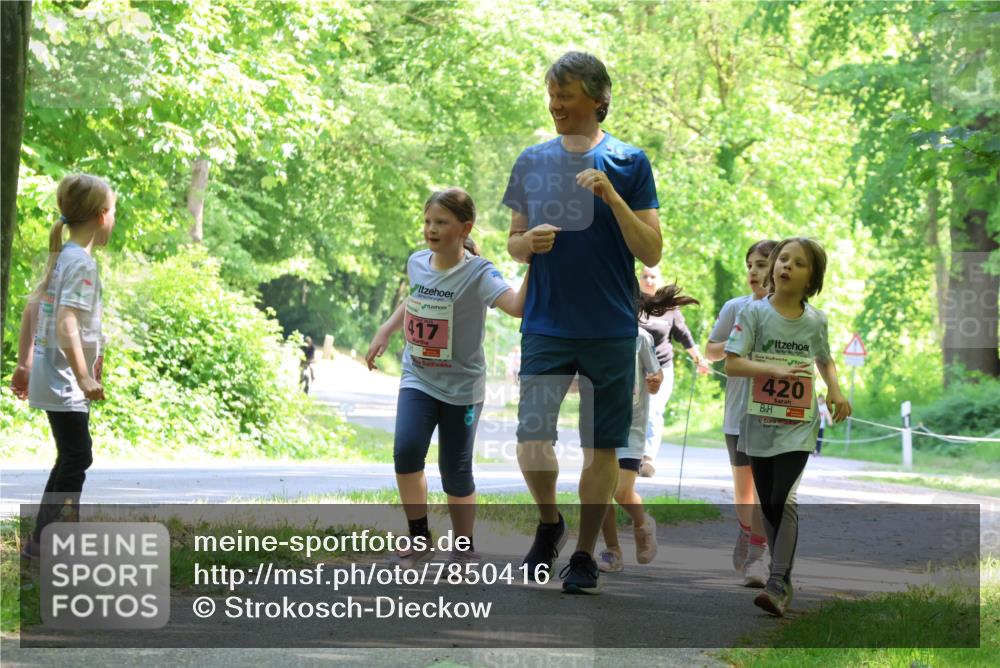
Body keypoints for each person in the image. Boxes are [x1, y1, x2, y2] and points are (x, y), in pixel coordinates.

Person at [503, 51, 662, 594]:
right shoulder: (531, 160)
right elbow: (514, 242)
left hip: (611, 327)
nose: (555, 105)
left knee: (601, 446)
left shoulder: (630, 162)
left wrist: (613, 197)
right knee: (532, 440)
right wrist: (526, 243)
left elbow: (650, 248)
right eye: (551, 94)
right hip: (547, 323)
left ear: (597, 99)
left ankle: (588, 555)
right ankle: (551, 523)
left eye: (565, 95)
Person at [365, 188, 528, 567]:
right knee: (406, 452)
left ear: (464, 227)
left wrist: (533, 258)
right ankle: (420, 539)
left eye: (441, 223)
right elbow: (418, 296)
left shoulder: (480, 273)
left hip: (463, 388)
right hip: (418, 377)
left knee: (454, 471)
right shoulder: (418, 262)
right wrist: (386, 330)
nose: (430, 229)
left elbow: (517, 306)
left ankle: (464, 547)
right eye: (427, 222)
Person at [725, 237, 851, 616]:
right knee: (770, 500)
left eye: (798, 263)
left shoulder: (816, 321)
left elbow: (824, 359)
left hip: (798, 423)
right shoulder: (754, 314)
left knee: (786, 496)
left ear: (812, 278)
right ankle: (784, 577)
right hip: (758, 421)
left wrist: (836, 390)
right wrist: (773, 369)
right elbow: (732, 363)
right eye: (783, 259)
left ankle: (778, 580)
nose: (786, 266)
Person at [10, 174, 116, 559]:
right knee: (77, 455)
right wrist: (84, 374)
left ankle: (45, 541)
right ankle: (50, 543)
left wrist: (23, 364)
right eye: (114, 212)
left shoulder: (64, 258)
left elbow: (33, 308)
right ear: (103, 216)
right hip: (63, 379)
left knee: (71, 454)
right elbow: (66, 320)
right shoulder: (81, 265)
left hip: (48, 372)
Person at [598, 283, 697, 572]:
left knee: (621, 493)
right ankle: (612, 550)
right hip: (599, 425)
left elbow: (655, 375)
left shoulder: (641, 339)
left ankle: (643, 524)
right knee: (599, 492)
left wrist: (655, 380)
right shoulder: (593, 339)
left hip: (631, 428)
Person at [705, 239, 776, 587]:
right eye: (750, 264)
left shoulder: (792, 311)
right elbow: (712, 351)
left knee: (765, 487)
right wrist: (735, 342)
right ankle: (747, 531)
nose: (753, 271)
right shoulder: (735, 307)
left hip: (774, 414)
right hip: (737, 413)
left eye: (761, 264)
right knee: (743, 489)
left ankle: (760, 553)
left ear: (778, 269)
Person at [636, 265, 710, 477]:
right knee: (632, 411)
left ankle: (648, 458)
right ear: (639, 279)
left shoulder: (670, 308)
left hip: (661, 368)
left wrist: (699, 359)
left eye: (653, 277)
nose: (649, 280)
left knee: (653, 411)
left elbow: (684, 335)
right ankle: (631, 456)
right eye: (645, 276)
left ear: (660, 280)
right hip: (633, 366)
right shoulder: (632, 303)